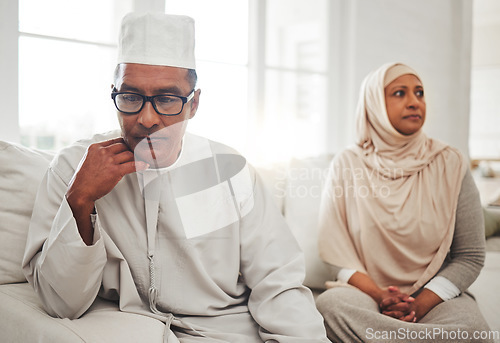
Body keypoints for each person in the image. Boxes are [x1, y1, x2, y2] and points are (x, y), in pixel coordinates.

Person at [22, 12, 329, 343]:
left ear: (193, 104)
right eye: (131, 97)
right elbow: (60, 302)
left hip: (227, 332)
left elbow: (279, 282)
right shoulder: (73, 166)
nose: (148, 118)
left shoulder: (230, 171)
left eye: (167, 99)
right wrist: (80, 200)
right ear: (114, 95)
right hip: (129, 330)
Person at [315, 62, 493, 342]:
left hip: (434, 296)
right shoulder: (348, 163)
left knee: (471, 329)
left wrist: (419, 304)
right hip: (364, 295)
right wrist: (380, 296)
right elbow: (337, 253)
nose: (414, 102)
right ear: (373, 103)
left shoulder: (451, 162)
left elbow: (469, 256)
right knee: (329, 308)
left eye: (419, 93)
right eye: (399, 93)